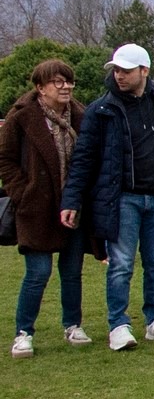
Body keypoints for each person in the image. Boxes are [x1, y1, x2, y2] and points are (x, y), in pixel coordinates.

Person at [60, 44, 154, 351]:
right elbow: (83, 159)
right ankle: (119, 324)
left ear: (144, 71)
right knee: (122, 263)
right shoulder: (101, 109)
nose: (119, 75)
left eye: (126, 70)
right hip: (122, 197)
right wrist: (71, 200)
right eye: (116, 70)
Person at [0, 60, 89, 357]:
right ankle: (23, 332)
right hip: (36, 206)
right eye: (58, 82)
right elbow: (5, 159)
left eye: (68, 82)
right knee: (38, 272)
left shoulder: (80, 114)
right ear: (40, 87)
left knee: (72, 271)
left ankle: (73, 325)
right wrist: (22, 192)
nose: (65, 87)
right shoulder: (21, 117)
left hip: (73, 204)